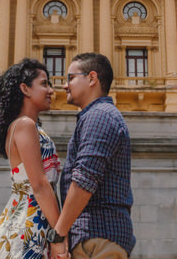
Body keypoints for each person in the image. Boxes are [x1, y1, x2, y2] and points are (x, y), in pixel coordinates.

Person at [47, 52, 135, 259]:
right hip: (96, 236)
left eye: (71, 78)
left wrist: (58, 235)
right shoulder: (96, 116)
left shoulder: (99, 116)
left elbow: (84, 180)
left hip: (98, 237)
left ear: (92, 78)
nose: (65, 86)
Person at [0, 58, 62, 259]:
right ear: (25, 89)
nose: (51, 91)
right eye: (44, 83)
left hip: (29, 220)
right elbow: (39, 184)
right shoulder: (24, 125)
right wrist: (60, 237)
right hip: (29, 224)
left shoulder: (24, 126)